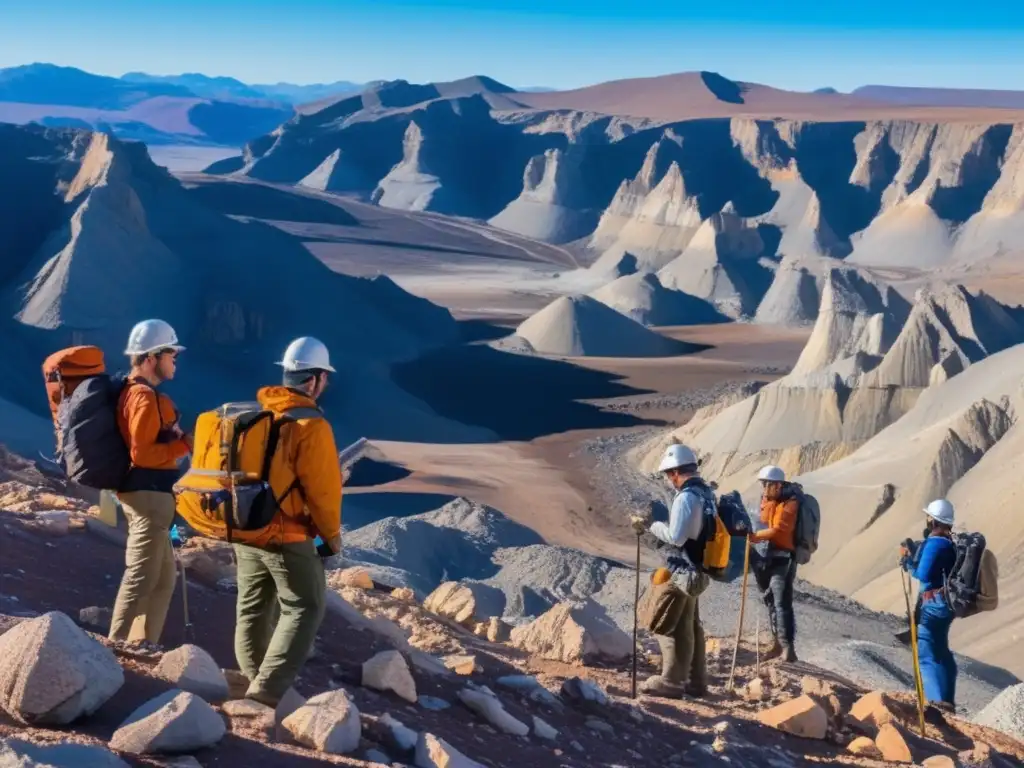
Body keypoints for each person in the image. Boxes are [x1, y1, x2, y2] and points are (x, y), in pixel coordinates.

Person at [234, 336, 343, 708]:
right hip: (287, 533)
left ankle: (254, 682)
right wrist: (330, 539)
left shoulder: (257, 414)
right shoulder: (311, 426)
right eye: (323, 377)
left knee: (253, 607)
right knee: (305, 606)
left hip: (245, 528)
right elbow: (323, 493)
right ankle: (264, 695)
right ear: (313, 380)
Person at [109, 319, 191, 647]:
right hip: (148, 495)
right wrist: (185, 444)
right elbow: (142, 453)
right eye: (171, 354)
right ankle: (118, 646)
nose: (175, 360)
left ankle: (142, 643)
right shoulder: (143, 396)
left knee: (162, 579)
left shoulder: (135, 392)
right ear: (151, 357)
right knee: (142, 575)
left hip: (151, 496)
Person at [630, 443, 711, 699]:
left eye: (669, 475)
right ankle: (697, 683)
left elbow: (676, 537)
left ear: (676, 472)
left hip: (684, 568)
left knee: (668, 624)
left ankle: (672, 682)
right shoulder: (706, 493)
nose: (669, 480)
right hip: (701, 567)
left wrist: (652, 526)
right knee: (690, 624)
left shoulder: (686, 497)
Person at [901, 499, 959, 712]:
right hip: (946, 603)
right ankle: (946, 699)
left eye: (929, 517)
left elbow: (922, 574)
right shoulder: (948, 542)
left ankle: (935, 703)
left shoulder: (935, 543)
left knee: (926, 650)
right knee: (940, 649)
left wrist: (908, 563)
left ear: (934, 520)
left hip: (933, 604)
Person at [751, 465, 799, 663]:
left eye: (766, 485)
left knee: (781, 601)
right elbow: (764, 521)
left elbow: (779, 530)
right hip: (767, 554)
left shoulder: (791, 503)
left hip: (783, 557)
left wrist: (754, 536)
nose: (763, 488)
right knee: (770, 599)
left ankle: (788, 648)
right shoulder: (769, 500)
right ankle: (777, 643)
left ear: (776, 485)